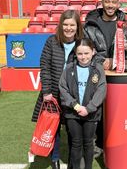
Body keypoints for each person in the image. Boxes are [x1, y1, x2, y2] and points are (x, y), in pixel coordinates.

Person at [31, 10, 84, 169]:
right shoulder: (51, 42)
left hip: (73, 96)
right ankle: (54, 160)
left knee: (72, 130)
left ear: (77, 26)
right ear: (61, 25)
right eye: (65, 24)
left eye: (72, 25)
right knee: (53, 130)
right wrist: (46, 91)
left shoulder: (82, 43)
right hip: (52, 94)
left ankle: (71, 161)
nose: (68, 28)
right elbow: (45, 66)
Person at [83, 0, 125, 155]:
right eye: (107, 1)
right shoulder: (90, 23)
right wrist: (102, 61)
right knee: (95, 108)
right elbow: (85, 49)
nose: (110, 5)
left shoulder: (124, 22)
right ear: (102, 3)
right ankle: (96, 143)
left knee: (116, 109)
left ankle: (114, 139)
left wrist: (115, 61)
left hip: (118, 73)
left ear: (118, 4)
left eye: (113, 2)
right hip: (96, 72)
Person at [59, 38, 107, 169]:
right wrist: (75, 106)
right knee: (76, 143)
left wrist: (90, 108)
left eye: (86, 53)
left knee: (88, 143)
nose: (83, 57)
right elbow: (63, 88)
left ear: (93, 52)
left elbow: (102, 89)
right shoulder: (69, 69)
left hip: (91, 113)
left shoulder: (98, 69)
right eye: (80, 53)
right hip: (72, 113)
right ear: (75, 53)